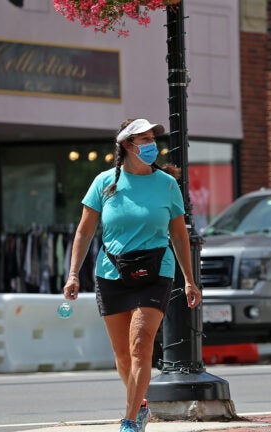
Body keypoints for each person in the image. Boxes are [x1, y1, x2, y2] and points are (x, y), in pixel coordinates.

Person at [62, 118, 201, 432]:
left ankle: (129, 420)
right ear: (127, 145)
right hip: (112, 273)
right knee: (122, 355)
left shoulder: (167, 184)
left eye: (153, 138)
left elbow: (179, 236)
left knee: (141, 345)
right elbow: (84, 233)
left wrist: (189, 280)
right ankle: (140, 405)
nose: (152, 145)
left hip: (156, 271)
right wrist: (73, 274)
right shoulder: (103, 183)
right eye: (145, 139)